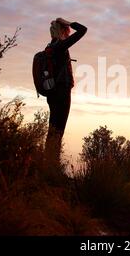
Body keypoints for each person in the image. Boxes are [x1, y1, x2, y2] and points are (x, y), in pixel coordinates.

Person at [45, 17, 87, 167]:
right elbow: (83, 30)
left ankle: (48, 163)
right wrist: (69, 23)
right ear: (62, 31)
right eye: (67, 31)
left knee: (53, 128)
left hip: (52, 93)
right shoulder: (60, 46)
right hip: (61, 92)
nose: (69, 34)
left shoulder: (50, 47)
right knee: (58, 130)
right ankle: (51, 166)